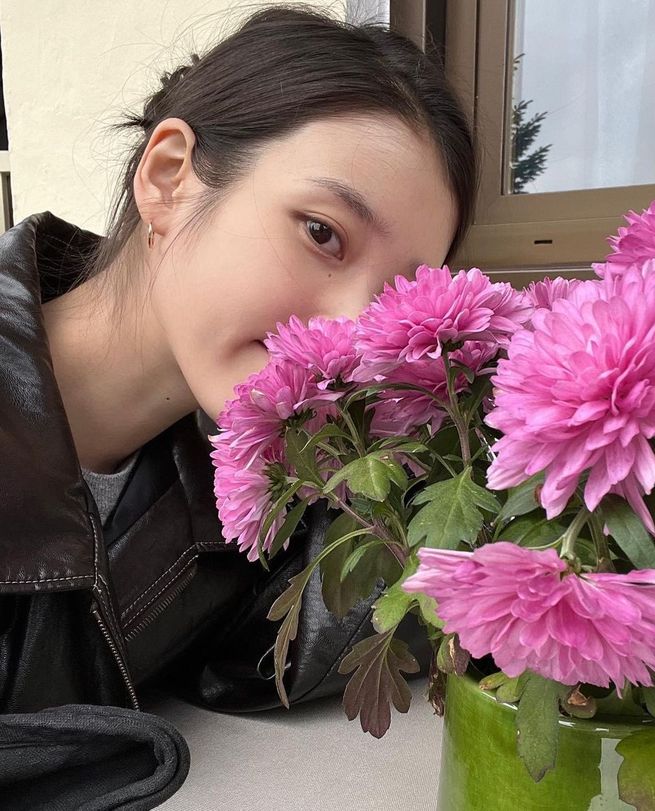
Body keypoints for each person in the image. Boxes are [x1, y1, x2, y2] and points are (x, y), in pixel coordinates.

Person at [0, 5, 477, 805]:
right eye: (322, 233)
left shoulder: (238, 506)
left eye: (394, 299)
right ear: (168, 179)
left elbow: (313, 634)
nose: (353, 341)